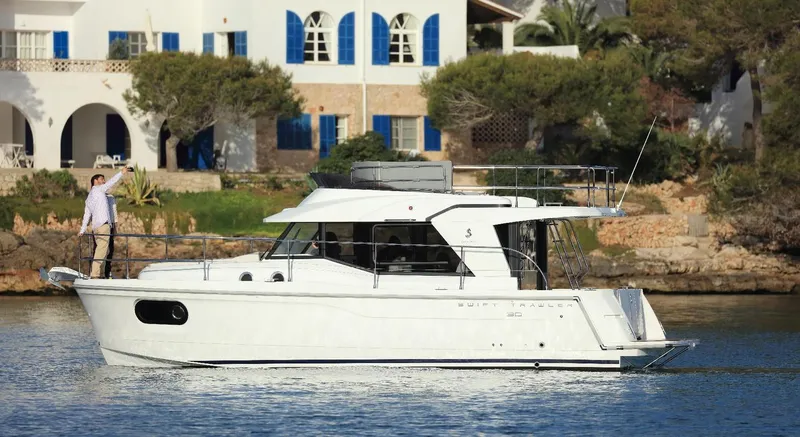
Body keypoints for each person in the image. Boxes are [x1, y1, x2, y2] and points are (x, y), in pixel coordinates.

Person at [79, 168, 129, 279]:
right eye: (102, 179)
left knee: (99, 250)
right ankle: (95, 274)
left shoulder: (89, 198)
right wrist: (122, 172)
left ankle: (100, 274)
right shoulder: (99, 190)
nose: (104, 181)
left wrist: (82, 230)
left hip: (95, 228)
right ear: (95, 181)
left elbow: (86, 215)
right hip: (103, 226)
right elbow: (112, 182)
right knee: (101, 251)